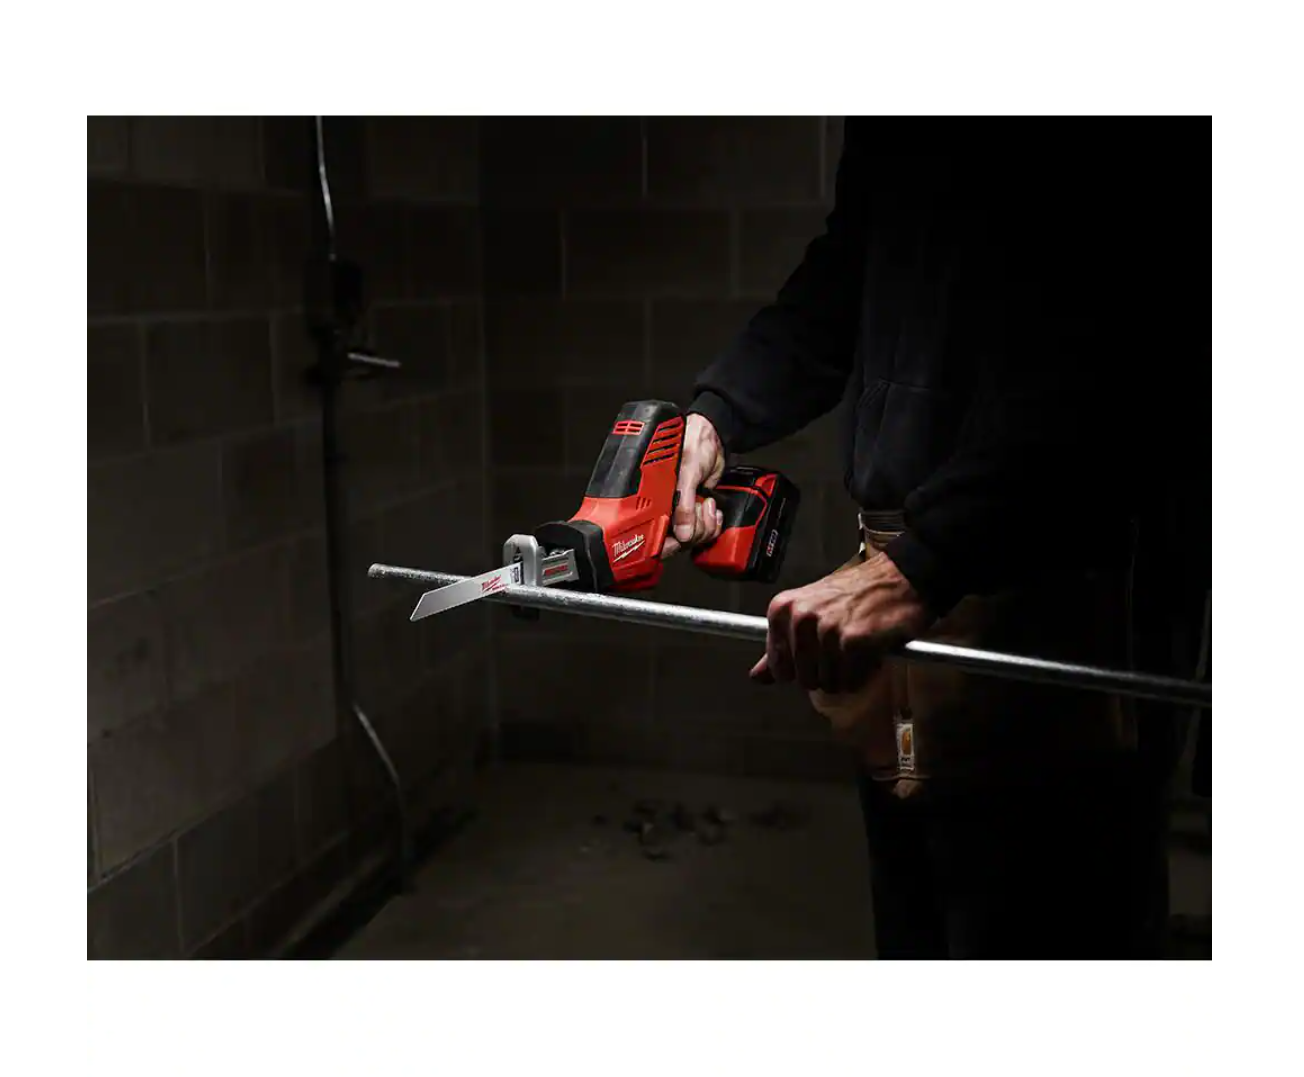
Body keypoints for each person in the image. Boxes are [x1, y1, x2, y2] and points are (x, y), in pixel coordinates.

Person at [660, 118, 1208, 959]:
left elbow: (1136, 341)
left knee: (1049, 934)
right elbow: (848, 270)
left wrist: (926, 560)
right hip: (909, 574)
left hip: (1069, 582)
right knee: (919, 922)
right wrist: (717, 416)